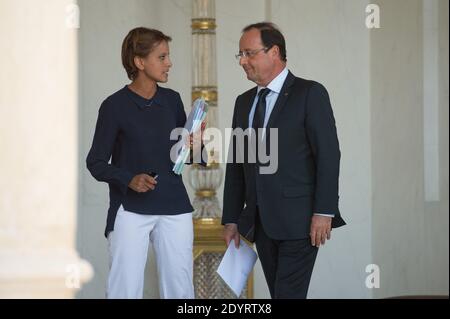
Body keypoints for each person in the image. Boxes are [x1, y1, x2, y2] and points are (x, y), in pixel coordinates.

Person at [222, 22, 346, 299]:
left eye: (249, 53)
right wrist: (231, 219)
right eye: (240, 55)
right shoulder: (244, 102)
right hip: (261, 224)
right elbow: (237, 164)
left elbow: (328, 154)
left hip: (300, 222)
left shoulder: (309, 93)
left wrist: (324, 211)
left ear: (274, 51)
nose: (243, 61)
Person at [86, 27, 203, 299]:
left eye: (168, 56)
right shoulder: (113, 106)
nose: (169, 63)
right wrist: (129, 178)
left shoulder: (172, 100)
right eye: (161, 57)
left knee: (181, 289)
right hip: (130, 208)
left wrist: (195, 145)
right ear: (139, 62)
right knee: (124, 290)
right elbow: (96, 161)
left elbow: (184, 155)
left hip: (175, 206)